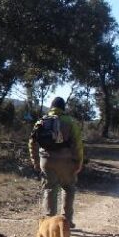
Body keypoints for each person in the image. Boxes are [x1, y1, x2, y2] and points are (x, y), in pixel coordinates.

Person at [28, 96, 84, 228]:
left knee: (49, 189)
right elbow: (78, 145)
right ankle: (66, 222)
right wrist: (79, 163)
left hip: (46, 161)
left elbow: (32, 142)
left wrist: (35, 161)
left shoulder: (41, 121)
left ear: (51, 107)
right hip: (66, 163)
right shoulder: (70, 122)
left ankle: (50, 223)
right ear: (63, 108)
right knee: (68, 188)